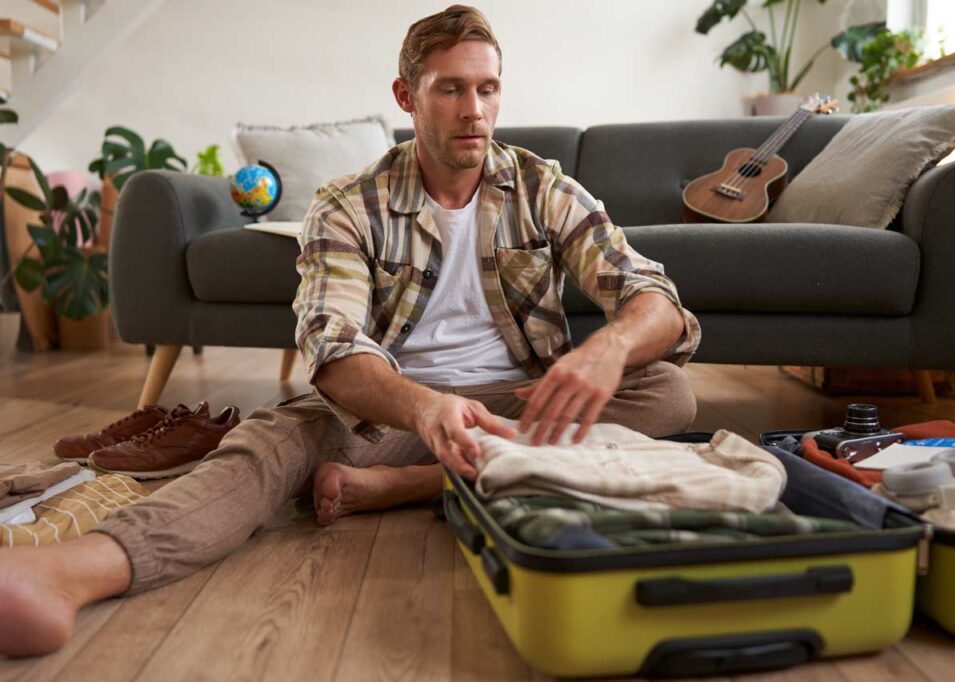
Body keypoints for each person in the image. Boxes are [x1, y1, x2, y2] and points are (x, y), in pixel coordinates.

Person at [0, 4, 699, 657]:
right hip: (384, 412)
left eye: (488, 90)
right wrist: (425, 408)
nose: (475, 111)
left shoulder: (543, 187)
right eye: (451, 89)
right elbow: (332, 351)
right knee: (271, 440)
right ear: (406, 96)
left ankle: (408, 486)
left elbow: (656, 298)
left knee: (666, 392)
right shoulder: (345, 205)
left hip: (514, 405)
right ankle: (74, 571)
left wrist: (608, 348)